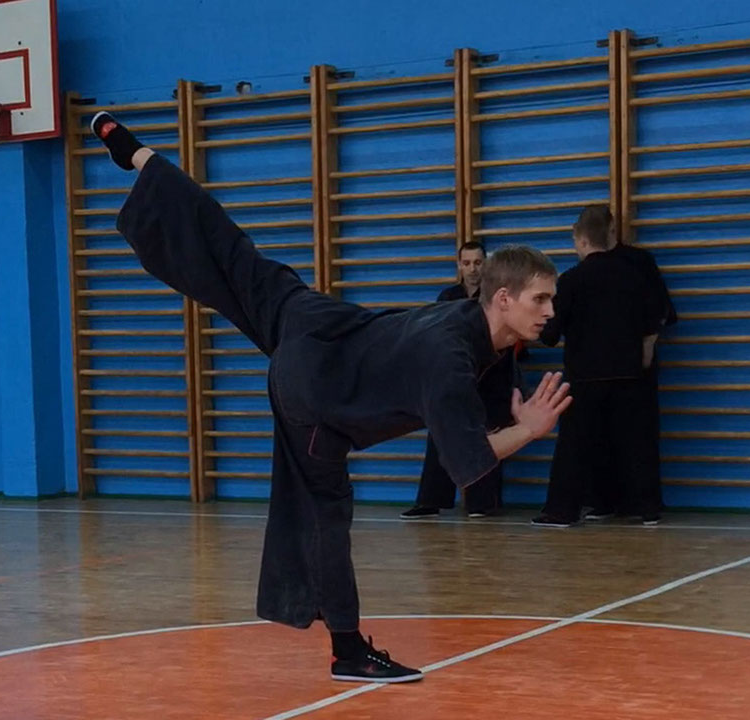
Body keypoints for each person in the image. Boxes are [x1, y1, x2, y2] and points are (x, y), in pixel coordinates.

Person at [91, 112, 573, 682]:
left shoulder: (467, 318)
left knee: (234, 252)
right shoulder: (448, 359)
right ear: (502, 299)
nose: (550, 311)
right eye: (540, 300)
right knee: (326, 513)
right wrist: (530, 429)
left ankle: (136, 155)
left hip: (313, 319)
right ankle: (349, 652)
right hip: (314, 388)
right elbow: (468, 462)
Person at [532, 205, 663, 528]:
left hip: (585, 375)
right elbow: (656, 317)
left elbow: (550, 333)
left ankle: (562, 510)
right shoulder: (635, 273)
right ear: (610, 235)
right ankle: (647, 508)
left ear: (581, 239)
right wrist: (645, 351)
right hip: (630, 371)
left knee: (575, 446)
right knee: (636, 442)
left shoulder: (572, 280)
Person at [400, 241, 521, 519]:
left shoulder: (497, 297)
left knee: (488, 438)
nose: (472, 269)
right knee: (441, 435)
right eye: (466, 263)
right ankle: (430, 500)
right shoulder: (448, 297)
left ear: (486, 264)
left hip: (492, 377)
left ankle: (483, 503)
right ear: (459, 266)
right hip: (454, 377)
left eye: (478, 263)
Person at [583, 220, 678, 522]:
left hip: (634, 364)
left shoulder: (637, 261)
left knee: (638, 436)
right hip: (597, 366)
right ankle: (603, 501)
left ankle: (646, 504)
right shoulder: (585, 269)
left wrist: (648, 345)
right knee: (600, 435)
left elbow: (659, 308)